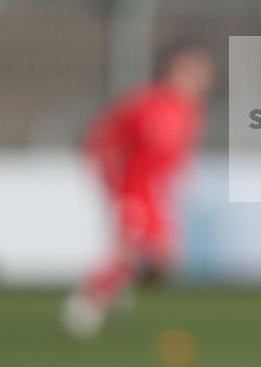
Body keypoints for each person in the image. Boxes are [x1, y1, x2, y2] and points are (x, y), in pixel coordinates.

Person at [62, 42, 213, 338]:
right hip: (132, 188)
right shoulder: (144, 104)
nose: (200, 79)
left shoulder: (190, 111)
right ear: (173, 71)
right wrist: (110, 178)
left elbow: (176, 155)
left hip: (155, 194)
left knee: (162, 263)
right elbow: (104, 136)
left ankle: (116, 288)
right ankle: (84, 304)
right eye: (193, 71)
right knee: (133, 252)